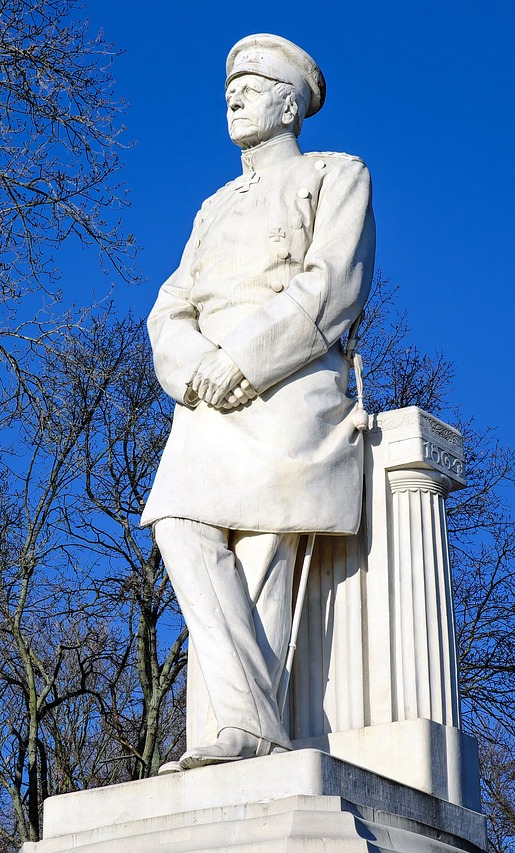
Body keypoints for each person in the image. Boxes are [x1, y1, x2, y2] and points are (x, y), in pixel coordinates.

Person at [140, 33, 376, 770]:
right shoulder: (213, 205)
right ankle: (255, 723)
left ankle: (243, 731)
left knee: (266, 550)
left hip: (289, 390)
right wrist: (200, 368)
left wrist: (245, 360)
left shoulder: (336, 174)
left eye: (251, 84)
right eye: (228, 88)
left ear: (289, 102)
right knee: (178, 522)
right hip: (208, 400)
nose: (233, 97)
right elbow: (168, 307)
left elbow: (332, 285)